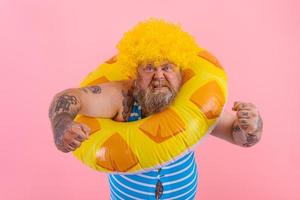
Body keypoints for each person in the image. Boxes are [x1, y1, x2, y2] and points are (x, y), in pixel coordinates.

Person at [48, 19, 263, 200]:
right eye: (149, 67)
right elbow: (69, 97)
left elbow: (240, 137)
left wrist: (252, 126)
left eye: (167, 67)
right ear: (135, 72)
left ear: (180, 71)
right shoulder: (123, 98)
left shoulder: (193, 103)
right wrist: (61, 124)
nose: (159, 76)